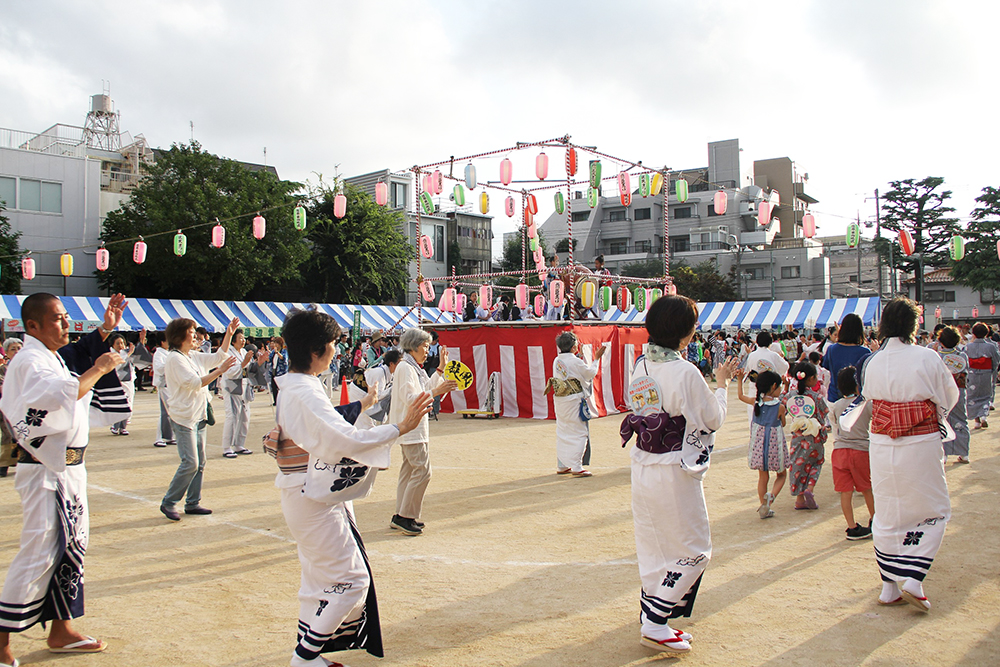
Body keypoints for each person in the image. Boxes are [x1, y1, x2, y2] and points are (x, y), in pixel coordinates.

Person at [274, 307, 433, 667]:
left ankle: (308, 651)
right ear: (317, 351)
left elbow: (328, 425)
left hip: (307, 489)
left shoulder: (296, 386)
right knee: (351, 580)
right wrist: (399, 427)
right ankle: (304, 656)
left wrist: (363, 404)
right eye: (332, 344)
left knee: (319, 577)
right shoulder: (304, 392)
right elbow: (342, 439)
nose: (337, 350)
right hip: (312, 495)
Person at [0, 293, 126, 664]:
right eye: (57, 319)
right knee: (38, 552)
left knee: (72, 547)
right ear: (33, 326)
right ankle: (1, 639)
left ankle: (62, 628)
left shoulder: (51, 356)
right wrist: (100, 368)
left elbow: (74, 359)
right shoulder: (28, 360)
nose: (66, 323)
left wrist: (104, 329)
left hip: (70, 469)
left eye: (67, 316)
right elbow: (58, 393)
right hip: (45, 469)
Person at [620, 295, 735, 654]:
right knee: (695, 549)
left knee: (655, 546)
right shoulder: (684, 371)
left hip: (644, 463)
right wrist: (723, 384)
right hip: (673, 467)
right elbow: (713, 419)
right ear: (686, 334)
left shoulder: (641, 364)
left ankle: (651, 616)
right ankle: (655, 621)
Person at [864, 298, 958, 612]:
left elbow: (869, 400)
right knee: (934, 509)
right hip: (919, 441)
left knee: (889, 511)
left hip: (881, 444)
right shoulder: (926, 357)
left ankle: (889, 586)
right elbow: (948, 396)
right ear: (912, 324)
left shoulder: (874, 361)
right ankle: (914, 579)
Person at [159, 316, 240, 521]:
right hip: (184, 418)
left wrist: (228, 334)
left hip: (198, 415)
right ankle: (169, 502)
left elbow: (218, 356)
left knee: (200, 462)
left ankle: (192, 502)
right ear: (179, 337)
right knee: (191, 463)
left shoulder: (191, 355)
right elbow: (195, 382)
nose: (196, 336)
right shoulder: (175, 358)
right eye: (191, 333)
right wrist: (219, 372)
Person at [388, 328, 457, 535]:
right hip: (412, 427)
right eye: (425, 346)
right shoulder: (405, 368)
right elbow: (412, 398)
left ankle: (401, 513)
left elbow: (424, 387)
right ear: (414, 346)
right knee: (422, 471)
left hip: (412, 427)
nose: (427, 350)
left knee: (409, 471)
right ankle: (405, 516)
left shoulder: (410, 367)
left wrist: (440, 370)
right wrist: (436, 391)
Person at [546, 332, 606, 477]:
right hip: (573, 399)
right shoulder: (575, 361)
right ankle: (577, 466)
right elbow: (590, 374)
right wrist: (596, 358)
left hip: (560, 399)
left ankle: (562, 464)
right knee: (580, 432)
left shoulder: (557, 360)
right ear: (574, 347)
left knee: (563, 430)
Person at [830, 366, 875, 540]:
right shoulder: (865, 404)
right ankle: (874, 519)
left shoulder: (836, 406)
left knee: (845, 491)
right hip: (860, 450)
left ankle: (852, 526)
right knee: (866, 488)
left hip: (840, 450)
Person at [737, 369, 787, 518]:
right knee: (782, 475)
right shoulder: (780, 407)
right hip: (774, 446)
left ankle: (763, 506)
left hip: (759, 447)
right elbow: (782, 424)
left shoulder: (756, 402)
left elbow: (740, 396)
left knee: (763, 477)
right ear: (773, 387)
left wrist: (740, 380)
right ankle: (770, 497)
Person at [784, 361, 830, 510]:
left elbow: (782, 408)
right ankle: (809, 488)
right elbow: (823, 414)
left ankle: (799, 499)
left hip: (798, 436)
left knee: (798, 465)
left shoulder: (790, 396)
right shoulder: (816, 398)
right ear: (811, 379)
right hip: (814, 436)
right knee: (816, 463)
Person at [821, 313, 874, 403]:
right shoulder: (865, 352)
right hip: (858, 399)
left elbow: (825, 365)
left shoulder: (831, 349)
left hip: (835, 396)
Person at [937, 326, 970, 462]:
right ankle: (964, 453)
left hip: (941, 391)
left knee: (941, 420)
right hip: (959, 389)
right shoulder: (962, 355)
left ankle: (943, 453)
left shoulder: (937, 356)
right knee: (961, 419)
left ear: (941, 341)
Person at [221, 330, 257, 459]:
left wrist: (260, 362)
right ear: (233, 340)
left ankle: (239, 444)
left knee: (244, 416)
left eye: (244, 338)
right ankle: (227, 446)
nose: (243, 340)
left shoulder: (243, 352)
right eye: (240, 338)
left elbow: (251, 369)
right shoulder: (227, 353)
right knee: (232, 416)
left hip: (244, 386)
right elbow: (230, 372)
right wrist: (244, 362)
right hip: (232, 385)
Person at [108, 330, 146, 436]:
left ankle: (123, 427)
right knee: (118, 405)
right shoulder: (111, 354)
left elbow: (139, 358)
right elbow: (117, 366)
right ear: (112, 345)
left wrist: (141, 341)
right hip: (117, 382)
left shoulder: (125, 353)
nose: (121, 346)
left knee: (128, 404)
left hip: (128, 382)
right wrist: (128, 354)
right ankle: (115, 426)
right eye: (118, 343)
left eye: (122, 343)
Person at [966, 322, 999, 429]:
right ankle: (984, 416)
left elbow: (965, 361)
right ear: (986, 333)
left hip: (972, 374)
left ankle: (976, 421)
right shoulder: (991, 346)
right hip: (986, 373)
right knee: (985, 396)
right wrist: (992, 371)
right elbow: (996, 361)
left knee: (972, 396)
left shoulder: (968, 346)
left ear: (974, 333)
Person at [0, 337, 23, 477]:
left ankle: (24, 463)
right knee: (8, 435)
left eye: (19, 348)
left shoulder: (28, 367)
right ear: (6, 352)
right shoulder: (3, 369)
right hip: (7, 407)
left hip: (26, 407)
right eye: (13, 349)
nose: (16, 351)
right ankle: (3, 464)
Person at [151, 332, 176, 448]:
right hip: (163, 385)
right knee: (164, 411)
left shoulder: (168, 353)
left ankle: (169, 436)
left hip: (170, 385)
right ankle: (159, 437)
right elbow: (159, 368)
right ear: (162, 342)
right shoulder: (158, 353)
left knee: (171, 411)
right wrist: (170, 364)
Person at [269, 336, 289, 406]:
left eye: (276, 343)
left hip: (281, 372)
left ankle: (282, 401)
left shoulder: (283, 351)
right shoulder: (273, 352)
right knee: (274, 387)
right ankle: (276, 401)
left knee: (281, 388)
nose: (275, 345)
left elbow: (284, 358)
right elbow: (269, 359)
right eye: (274, 343)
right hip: (274, 371)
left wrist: (277, 352)